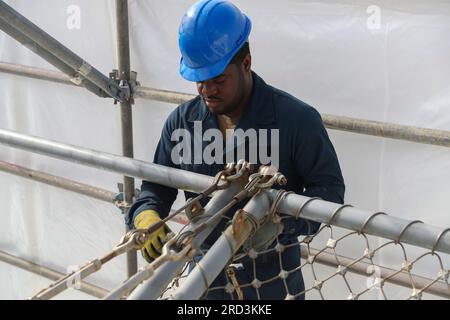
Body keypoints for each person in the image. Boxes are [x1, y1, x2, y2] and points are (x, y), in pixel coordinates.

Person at [126, 0, 345, 300]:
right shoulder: (183, 123)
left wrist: (280, 222)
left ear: (246, 64)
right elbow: (156, 188)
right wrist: (146, 216)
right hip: (204, 283)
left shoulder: (295, 121)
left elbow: (330, 192)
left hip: (273, 284)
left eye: (218, 79)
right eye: (199, 80)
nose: (207, 90)